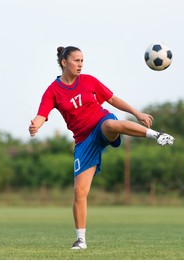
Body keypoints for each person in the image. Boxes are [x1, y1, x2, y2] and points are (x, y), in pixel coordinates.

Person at [28, 46, 174, 250]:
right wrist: (35, 124)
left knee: (110, 124)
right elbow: (42, 113)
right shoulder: (53, 91)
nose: (80, 64)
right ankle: (81, 240)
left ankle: (156, 135)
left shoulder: (89, 80)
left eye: (82, 61)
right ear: (64, 62)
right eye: (76, 60)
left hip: (101, 124)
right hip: (83, 141)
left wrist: (137, 113)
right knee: (79, 191)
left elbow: (112, 99)